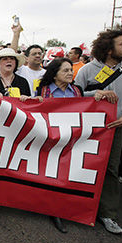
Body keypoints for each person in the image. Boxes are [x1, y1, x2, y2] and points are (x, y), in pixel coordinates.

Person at [75, 26, 122, 235]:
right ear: (108, 49)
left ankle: (108, 213)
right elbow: (75, 95)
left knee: (111, 170)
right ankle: (78, 206)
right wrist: (94, 94)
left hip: (114, 130)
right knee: (81, 166)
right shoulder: (87, 70)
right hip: (87, 128)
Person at [35, 58, 83, 233]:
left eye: (71, 70)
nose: (70, 73)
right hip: (51, 138)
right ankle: (53, 209)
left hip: (73, 138)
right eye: (65, 70)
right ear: (54, 75)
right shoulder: (44, 90)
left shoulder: (77, 91)